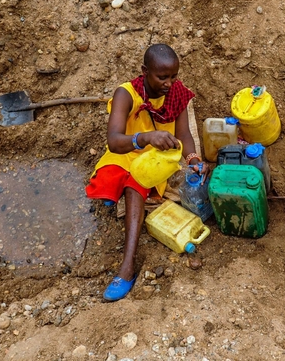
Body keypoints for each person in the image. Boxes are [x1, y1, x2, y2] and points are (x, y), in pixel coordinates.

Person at [86, 44, 204, 301]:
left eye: (173, 76)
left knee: (134, 186)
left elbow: (183, 134)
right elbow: (114, 141)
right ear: (144, 71)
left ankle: (127, 268)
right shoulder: (126, 94)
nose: (169, 83)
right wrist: (146, 137)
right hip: (126, 151)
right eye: (162, 77)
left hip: (153, 162)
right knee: (107, 181)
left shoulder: (176, 94)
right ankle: (115, 192)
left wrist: (193, 158)